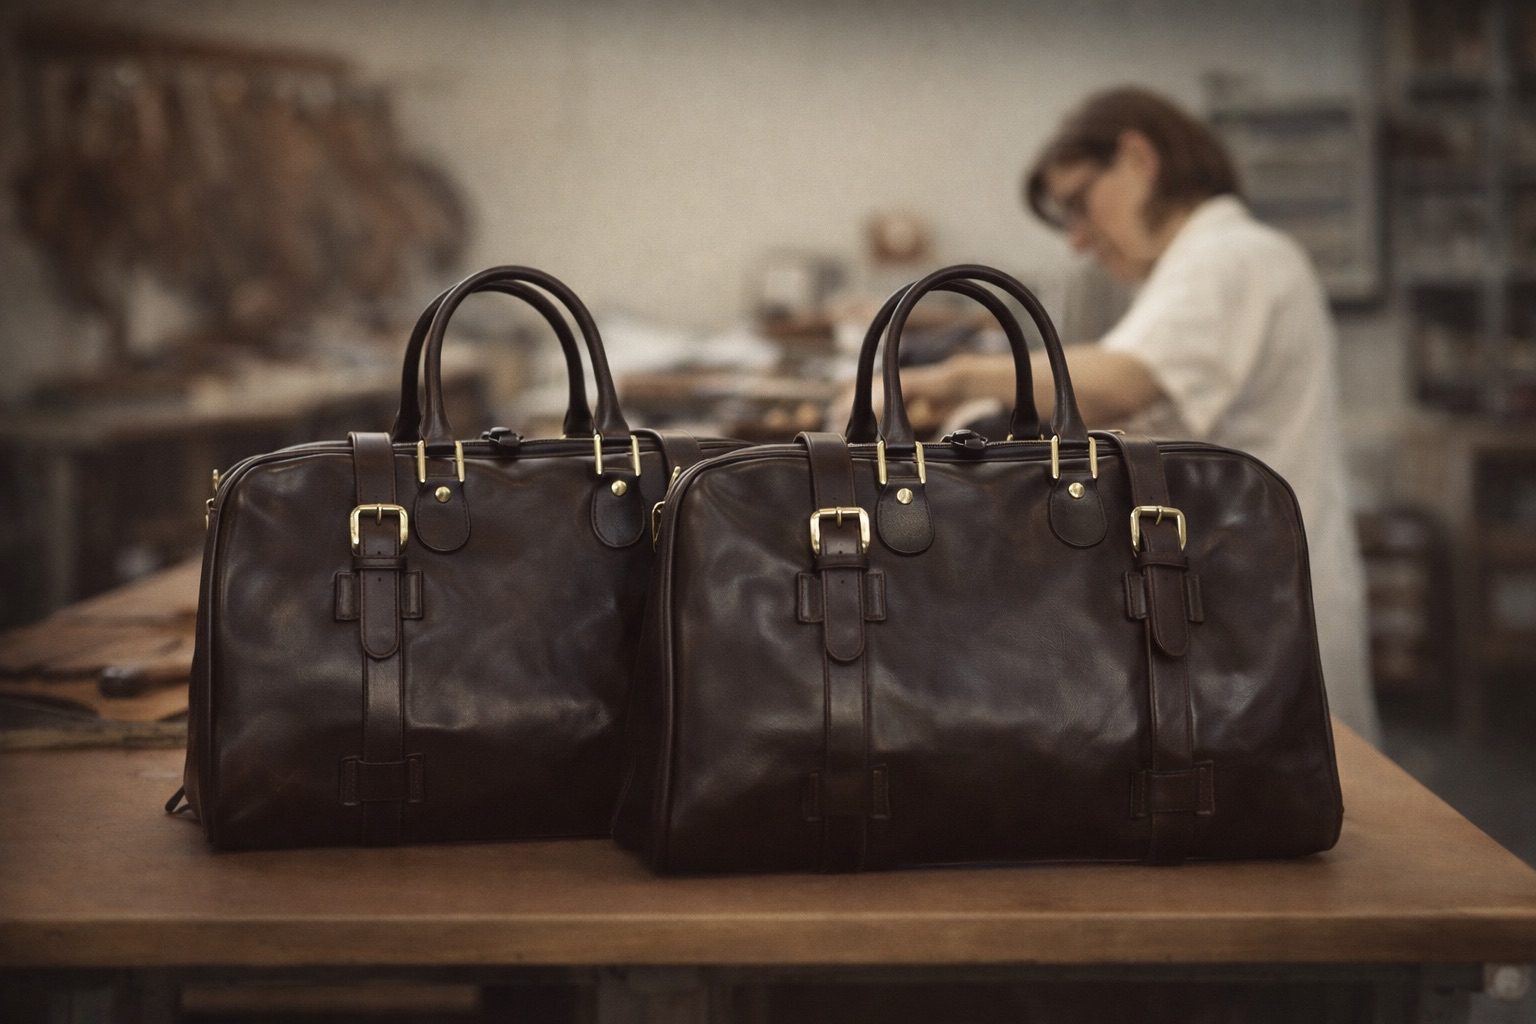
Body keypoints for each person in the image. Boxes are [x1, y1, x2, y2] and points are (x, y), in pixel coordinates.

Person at [898, 86, 1382, 744]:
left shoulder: (1230, 257)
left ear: (1137, 159)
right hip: (1243, 590)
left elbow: (1124, 380)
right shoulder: (1203, 262)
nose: (1077, 239)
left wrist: (954, 379)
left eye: (1077, 203)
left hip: (1262, 603)